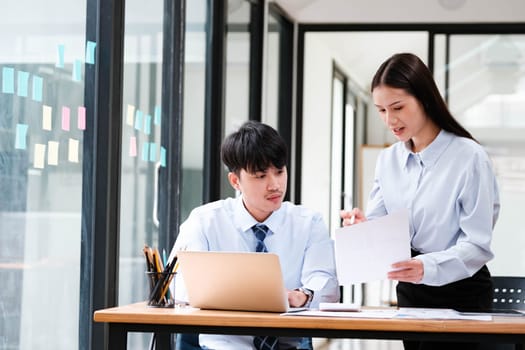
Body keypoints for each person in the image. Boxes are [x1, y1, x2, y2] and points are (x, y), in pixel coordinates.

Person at [340, 53, 500, 350]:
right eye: (381, 110)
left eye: (397, 107)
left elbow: (477, 245)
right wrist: (363, 228)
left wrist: (426, 266)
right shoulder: (388, 160)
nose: (390, 120)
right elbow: (382, 224)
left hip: (462, 293)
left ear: (424, 99)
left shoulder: (469, 157)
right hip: (412, 292)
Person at [171, 120, 340, 350]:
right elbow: (177, 285)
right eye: (260, 176)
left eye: (279, 172)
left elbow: (328, 288)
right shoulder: (205, 222)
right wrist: (242, 296)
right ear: (235, 181)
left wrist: (305, 295)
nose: (275, 185)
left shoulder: (308, 223)